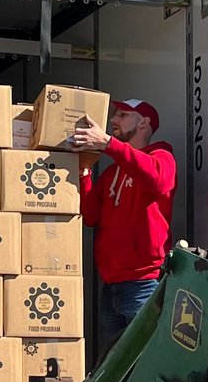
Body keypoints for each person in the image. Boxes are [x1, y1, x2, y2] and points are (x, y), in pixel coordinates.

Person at [68, 99, 176, 346]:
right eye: (115, 115)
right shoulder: (111, 173)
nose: (114, 120)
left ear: (144, 123)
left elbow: (158, 180)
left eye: (123, 115)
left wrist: (107, 143)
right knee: (115, 368)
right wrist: (83, 172)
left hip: (144, 284)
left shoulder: (162, 156)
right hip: (112, 286)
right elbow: (91, 215)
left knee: (143, 363)